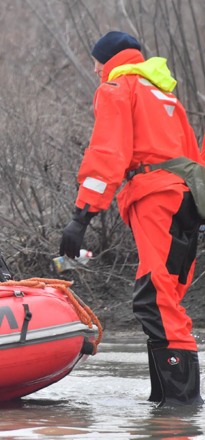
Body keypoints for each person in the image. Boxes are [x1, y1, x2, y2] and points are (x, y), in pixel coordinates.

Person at [59, 31, 203, 407]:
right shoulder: (165, 94)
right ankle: (167, 406)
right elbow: (192, 156)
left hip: (156, 198)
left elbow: (108, 154)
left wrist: (81, 216)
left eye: (96, 63)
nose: (96, 71)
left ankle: (180, 409)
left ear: (109, 61)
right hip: (186, 202)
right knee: (164, 297)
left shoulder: (118, 88)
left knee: (156, 300)